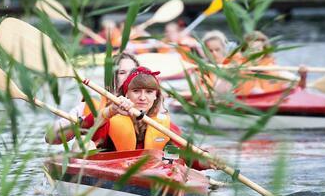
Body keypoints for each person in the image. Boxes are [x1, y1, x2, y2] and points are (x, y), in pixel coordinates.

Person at [79, 66, 212, 170]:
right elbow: (85, 128)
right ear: (126, 94)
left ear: (156, 96)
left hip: (152, 178)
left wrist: (206, 161)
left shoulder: (165, 125)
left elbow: (190, 158)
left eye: (149, 92)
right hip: (115, 176)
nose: (142, 97)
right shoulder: (110, 119)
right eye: (136, 91)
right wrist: (111, 110)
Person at [45, 53, 139, 144]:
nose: (129, 77)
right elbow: (50, 137)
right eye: (122, 73)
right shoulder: (92, 104)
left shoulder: (147, 103)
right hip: (97, 157)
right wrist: (84, 122)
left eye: (133, 72)